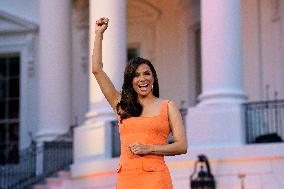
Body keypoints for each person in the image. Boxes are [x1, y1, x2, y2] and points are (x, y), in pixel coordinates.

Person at [92, 17, 188, 189]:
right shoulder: (121, 105)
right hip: (127, 180)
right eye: (136, 75)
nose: (142, 79)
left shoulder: (168, 106)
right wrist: (99, 35)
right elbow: (97, 70)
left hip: (156, 179)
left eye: (146, 74)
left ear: (153, 78)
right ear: (130, 81)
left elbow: (182, 146)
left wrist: (149, 149)